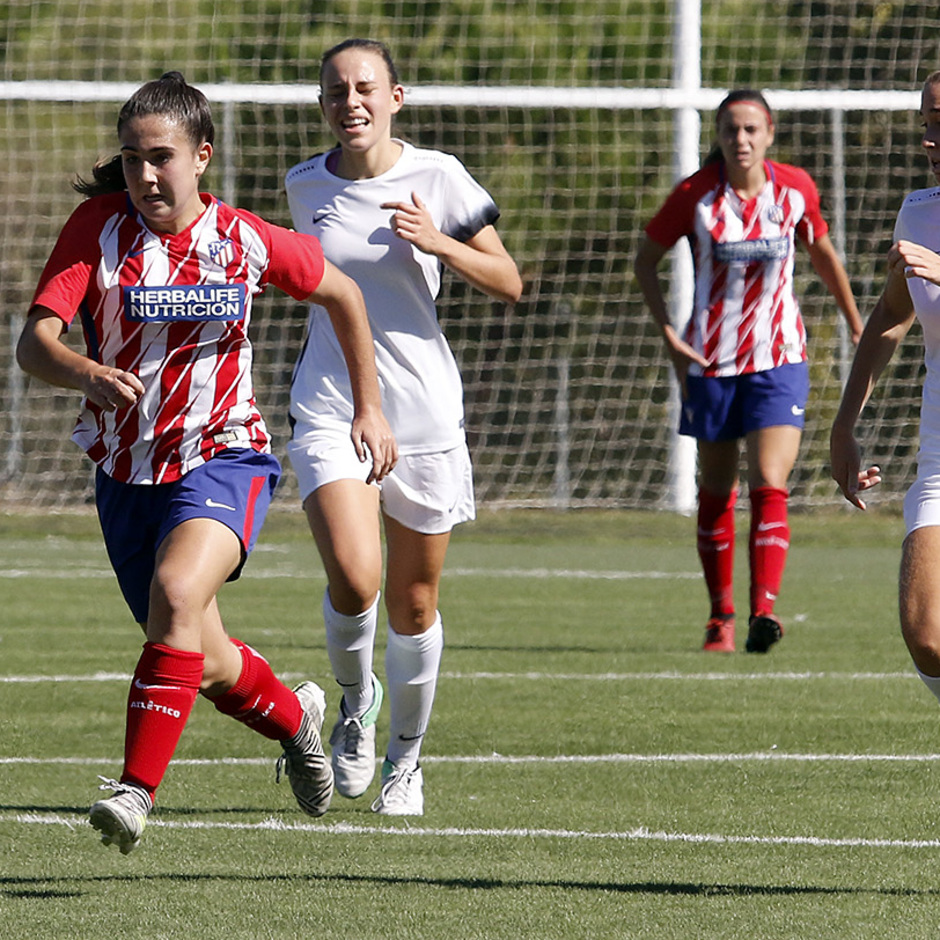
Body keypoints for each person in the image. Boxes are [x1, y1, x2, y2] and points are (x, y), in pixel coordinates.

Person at [15, 71, 397, 854]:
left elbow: (345, 296)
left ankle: (134, 792)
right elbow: (35, 345)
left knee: (177, 589)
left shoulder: (244, 238)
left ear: (202, 158)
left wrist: (369, 407)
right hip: (126, 474)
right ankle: (296, 717)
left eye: (160, 157)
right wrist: (85, 372)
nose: (145, 175)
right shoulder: (95, 228)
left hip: (224, 457)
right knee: (203, 653)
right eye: (130, 159)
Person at [284, 39, 522, 816]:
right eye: (334, 91)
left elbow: (509, 281)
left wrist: (440, 241)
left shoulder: (438, 176)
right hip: (333, 409)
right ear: (321, 103)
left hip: (424, 414)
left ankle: (406, 763)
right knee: (357, 579)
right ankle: (355, 708)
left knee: (414, 604)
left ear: (396, 97)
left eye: (364, 88)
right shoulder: (303, 186)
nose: (349, 102)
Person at [634, 89, 864, 654]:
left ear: (770, 133)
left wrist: (856, 320)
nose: (741, 140)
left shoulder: (795, 189)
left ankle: (765, 611)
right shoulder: (695, 195)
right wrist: (668, 333)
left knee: (770, 482)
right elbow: (645, 258)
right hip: (711, 363)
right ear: (718, 135)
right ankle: (721, 618)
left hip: (779, 359)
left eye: (751, 129)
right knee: (716, 491)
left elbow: (823, 254)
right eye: (731, 130)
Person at [831, 71, 940, 713]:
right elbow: (892, 317)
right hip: (939, 452)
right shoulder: (921, 212)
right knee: (926, 635)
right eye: (926, 122)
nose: (930, 139)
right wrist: (845, 424)